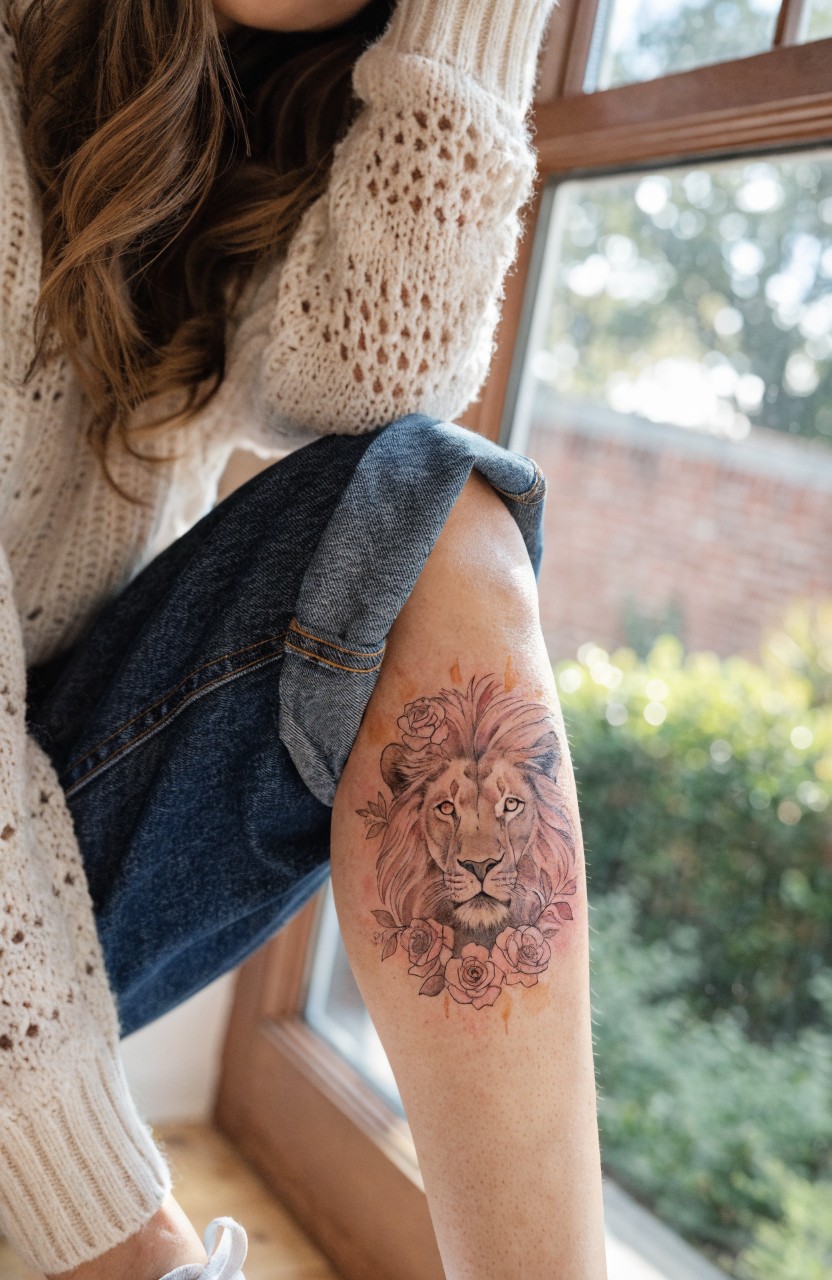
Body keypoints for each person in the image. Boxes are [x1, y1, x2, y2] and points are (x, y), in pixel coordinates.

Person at [0, 0, 608, 1276]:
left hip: (47, 812)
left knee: (436, 523)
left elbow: (374, 419)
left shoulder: (248, 115)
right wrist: (135, 1253)